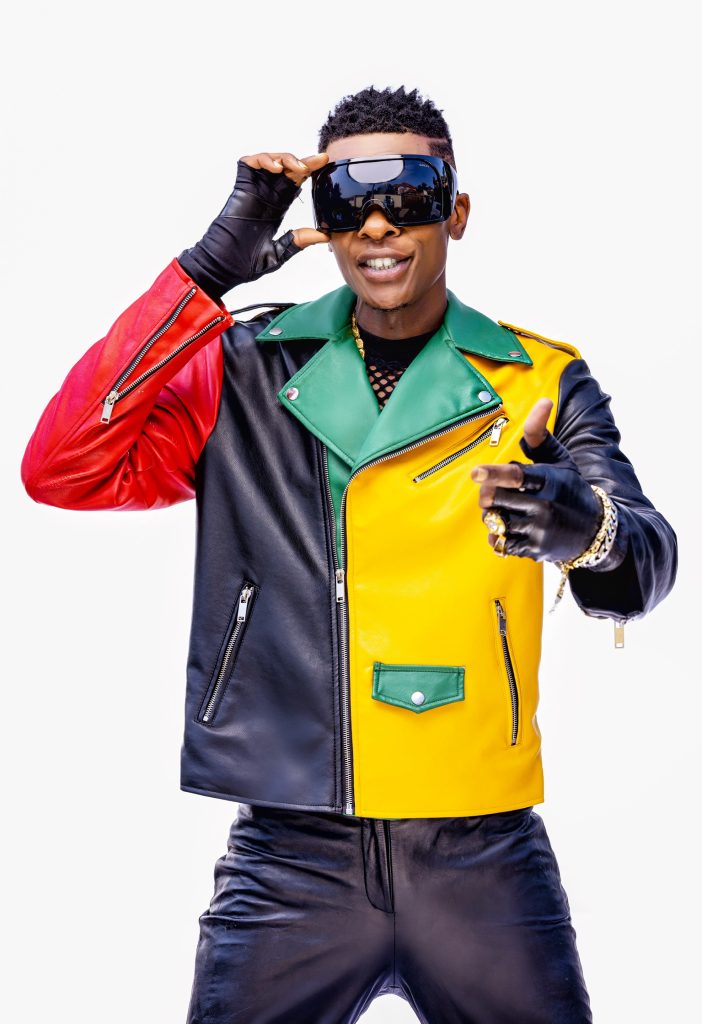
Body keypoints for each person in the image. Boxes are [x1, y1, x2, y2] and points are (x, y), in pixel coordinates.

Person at [21, 85, 677, 1023]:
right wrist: (203, 277)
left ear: (456, 211)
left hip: (484, 856)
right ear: (322, 220)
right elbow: (63, 467)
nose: (378, 225)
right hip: (289, 859)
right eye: (348, 200)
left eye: (410, 197)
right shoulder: (240, 367)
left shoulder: (539, 379)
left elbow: (644, 566)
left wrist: (586, 530)